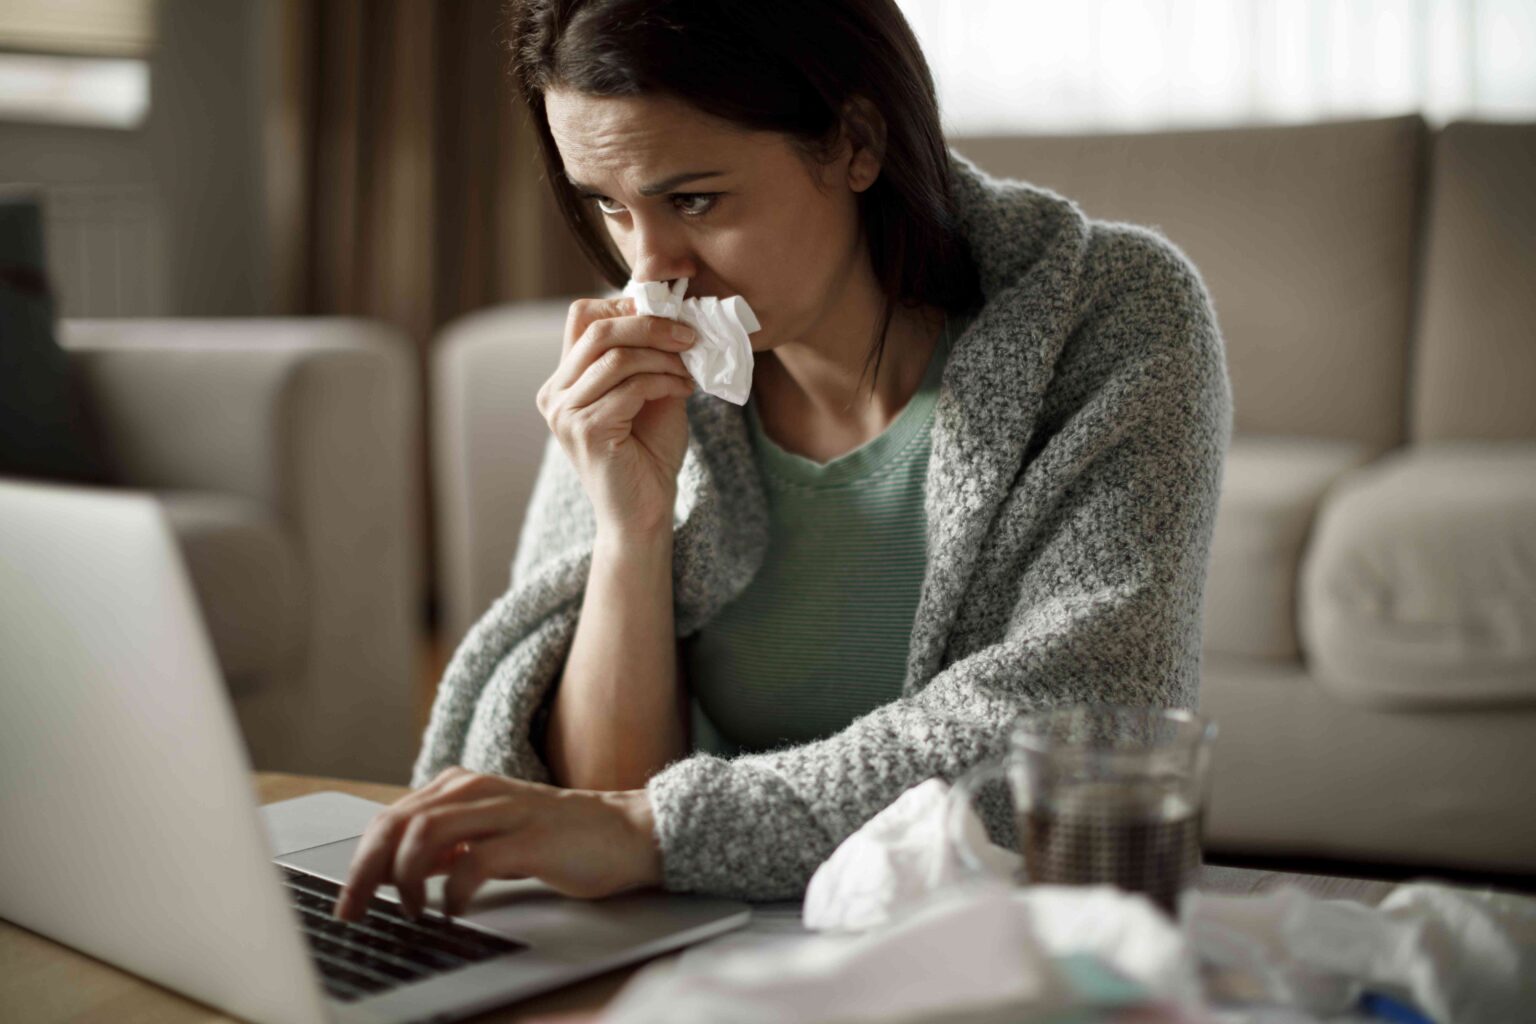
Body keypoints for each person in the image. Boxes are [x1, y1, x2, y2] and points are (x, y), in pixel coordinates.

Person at [334, 0, 1232, 922]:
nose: (653, 272)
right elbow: (599, 812)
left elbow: (1069, 727)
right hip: (705, 939)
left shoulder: (1113, 316)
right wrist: (629, 530)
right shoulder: (646, 375)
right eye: (610, 205)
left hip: (998, 947)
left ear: (856, 142)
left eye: (694, 200)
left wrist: (662, 835)